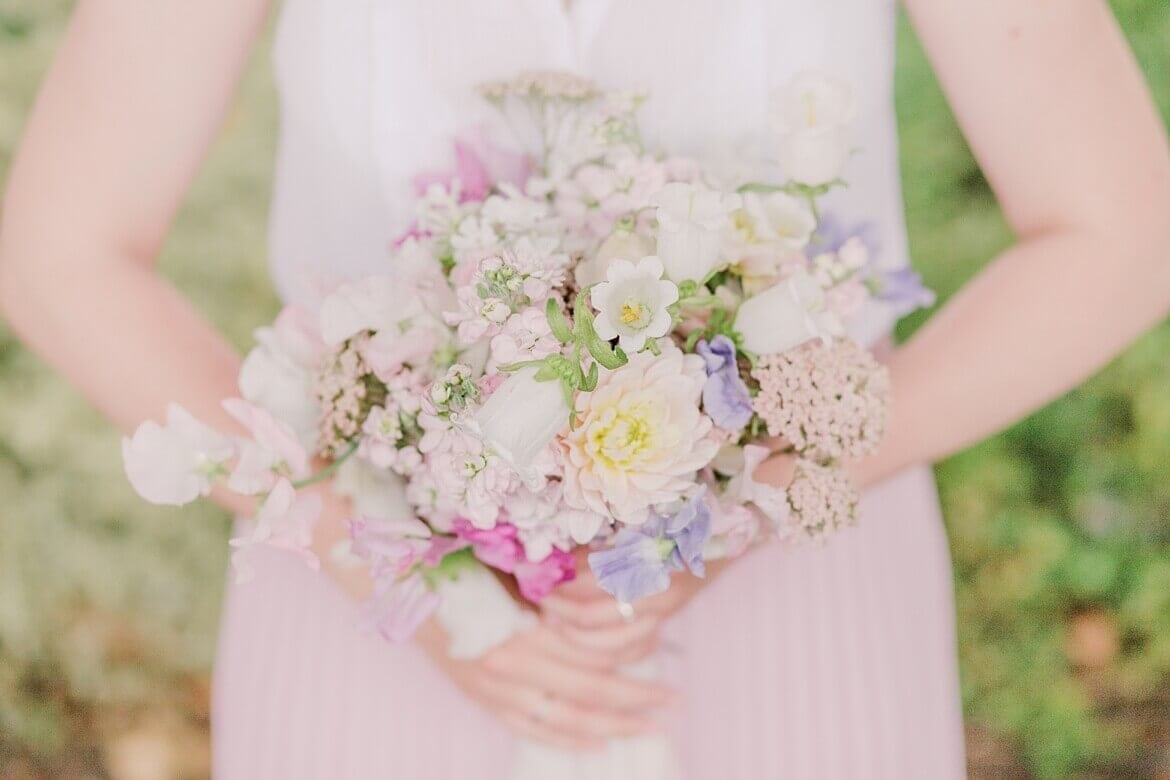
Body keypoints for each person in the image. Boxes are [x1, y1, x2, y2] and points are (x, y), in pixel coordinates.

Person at [2, 1, 1168, 777]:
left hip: (801, 593)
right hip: (364, 605)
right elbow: (62, 250)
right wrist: (374, 552)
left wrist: (761, 493)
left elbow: (1120, 229)